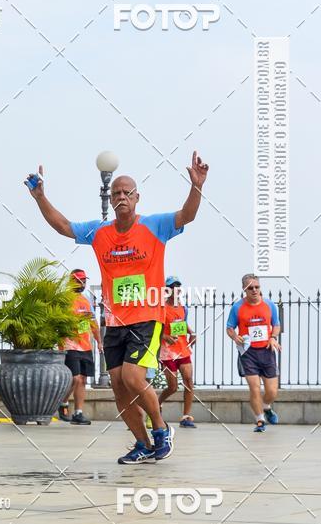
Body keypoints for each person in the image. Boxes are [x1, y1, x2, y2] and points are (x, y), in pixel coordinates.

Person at [24, 151, 209, 464]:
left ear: (137, 198)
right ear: (111, 200)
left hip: (147, 317)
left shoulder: (155, 226)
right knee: (120, 389)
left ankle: (161, 430)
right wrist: (40, 197)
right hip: (115, 322)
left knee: (135, 378)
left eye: (127, 193)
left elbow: (187, 215)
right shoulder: (100, 232)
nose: (121, 197)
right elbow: (63, 226)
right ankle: (142, 444)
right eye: (116, 194)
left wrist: (197, 187)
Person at [226, 274, 281, 432]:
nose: (254, 290)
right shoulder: (237, 307)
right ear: (244, 289)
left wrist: (273, 337)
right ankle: (260, 420)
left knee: (272, 391)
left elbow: (276, 325)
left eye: (257, 287)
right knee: (254, 387)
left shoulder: (270, 305)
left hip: (267, 351)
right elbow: (229, 328)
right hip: (248, 353)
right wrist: (235, 336)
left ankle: (266, 407)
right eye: (250, 288)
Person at [58, 269, 103, 425]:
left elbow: (93, 322)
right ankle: (63, 403)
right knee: (75, 378)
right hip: (69, 344)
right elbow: (60, 321)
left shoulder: (86, 300)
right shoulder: (65, 300)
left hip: (85, 345)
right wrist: (77, 318)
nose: (82, 283)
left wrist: (99, 342)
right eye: (79, 280)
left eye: (84, 280)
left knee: (82, 380)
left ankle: (78, 413)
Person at [158, 276, 197, 428]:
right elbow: (154, 329)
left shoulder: (182, 307)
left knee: (188, 381)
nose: (175, 288)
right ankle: (158, 403)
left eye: (178, 285)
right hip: (167, 352)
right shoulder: (161, 308)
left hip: (182, 349)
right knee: (172, 386)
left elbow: (182, 322)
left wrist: (191, 332)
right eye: (172, 286)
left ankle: (186, 416)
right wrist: (165, 337)